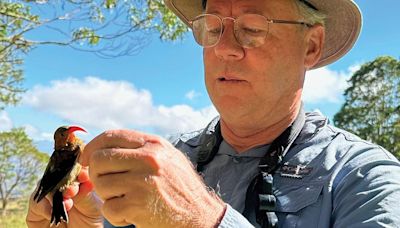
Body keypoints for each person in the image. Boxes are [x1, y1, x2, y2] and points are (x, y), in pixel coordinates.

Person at [26, 0, 400, 227]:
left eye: (253, 28)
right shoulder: (166, 162)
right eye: (212, 27)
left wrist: (205, 221)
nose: (225, 48)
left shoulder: (363, 179)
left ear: (311, 45)